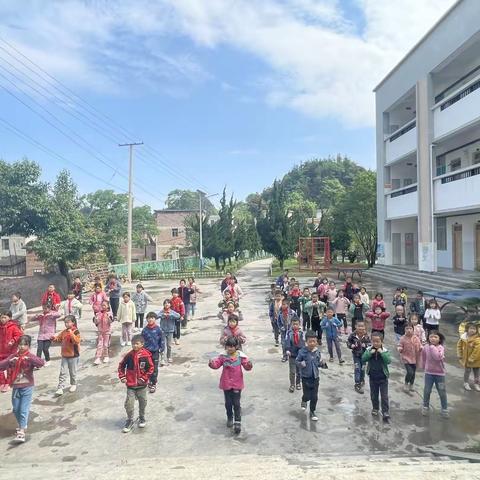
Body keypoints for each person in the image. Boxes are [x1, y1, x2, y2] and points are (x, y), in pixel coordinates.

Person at [0, 335, 45, 443]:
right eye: (20, 344)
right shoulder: (13, 356)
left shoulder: (29, 356)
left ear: (28, 346)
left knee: (23, 409)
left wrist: (29, 358)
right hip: (16, 386)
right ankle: (22, 425)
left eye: (25, 345)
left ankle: (21, 432)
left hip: (27, 386)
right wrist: (10, 360)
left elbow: (41, 363)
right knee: (16, 409)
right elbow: (1, 365)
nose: (22, 347)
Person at [208, 336, 253, 434]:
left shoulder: (241, 356)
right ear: (226, 347)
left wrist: (249, 365)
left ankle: (237, 421)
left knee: (236, 403)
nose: (230, 348)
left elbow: (246, 366)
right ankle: (229, 417)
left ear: (236, 347)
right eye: (228, 346)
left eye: (232, 346)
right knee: (228, 403)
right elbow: (216, 364)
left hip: (237, 383)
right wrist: (211, 364)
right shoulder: (223, 357)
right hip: (226, 383)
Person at [118, 334, 154, 433]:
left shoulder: (146, 355)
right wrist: (122, 377)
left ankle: (142, 417)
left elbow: (151, 368)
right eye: (133, 344)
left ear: (142, 344)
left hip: (142, 385)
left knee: (143, 402)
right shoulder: (129, 355)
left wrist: (144, 378)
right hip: (131, 385)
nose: (135, 346)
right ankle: (130, 420)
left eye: (137, 344)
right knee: (129, 403)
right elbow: (121, 366)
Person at [296, 330, 327, 422]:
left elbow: (318, 363)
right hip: (306, 377)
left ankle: (312, 411)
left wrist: (323, 364)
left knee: (314, 396)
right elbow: (297, 361)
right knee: (307, 395)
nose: (312, 343)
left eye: (314, 341)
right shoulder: (302, 352)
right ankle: (304, 400)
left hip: (315, 377)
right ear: (306, 342)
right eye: (310, 341)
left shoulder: (317, 352)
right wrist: (301, 364)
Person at [362, 332, 391, 422]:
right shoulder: (369, 349)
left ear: (382, 342)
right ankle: (375, 408)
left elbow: (388, 361)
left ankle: (385, 411)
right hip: (373, 377)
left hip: (383, 378)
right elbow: (363, 359)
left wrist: (382, 353)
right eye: (374, 341)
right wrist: (370, 353)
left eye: (378, 341)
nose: (376, 343)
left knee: (384, 396)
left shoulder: (385, 351)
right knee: (374, 395)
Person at [422, 331, 448, 418]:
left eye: (435, 337)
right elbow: (424, 357)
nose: (433, 338)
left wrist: (432, 347)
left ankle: (444, 409)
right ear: (428, 338)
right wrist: (424, 366)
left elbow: (437, 357)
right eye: (431, 337)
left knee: (442, 392)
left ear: (439, 339)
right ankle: (425, 406)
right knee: (427, 390)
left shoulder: (441, 348)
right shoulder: (426, 347)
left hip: (440, 374)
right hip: (429, 373)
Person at [53, 315, 81, 396]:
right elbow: (59, 339)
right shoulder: (64, 332)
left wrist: (71, 334)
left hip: (73, 355)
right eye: (65, 322)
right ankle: (60, 387)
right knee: (63, 372)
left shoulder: (76, 331)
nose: (66, 324)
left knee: (73, 371)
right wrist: (53, 339)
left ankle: (73, 384)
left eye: (68, 322)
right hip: (65, 355)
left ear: (73, 322)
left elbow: (77, 341)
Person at [141, 312, 164, 394]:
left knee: (154, 368)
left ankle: (153, 383)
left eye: (152, 318)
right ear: (146, 319)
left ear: (155, 319)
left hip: (155, 352)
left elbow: (162, 340)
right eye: (149, 318)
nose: (150, 319)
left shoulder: (158, 329)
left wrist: (162, 349)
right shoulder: (144, 330)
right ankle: (147, 381)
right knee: (146, 368)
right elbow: (141, 341)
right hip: (146, 353)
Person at [0, 311, 23, 393]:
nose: (2, 319)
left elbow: (19, 335)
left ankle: (9, 382)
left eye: (4, 317)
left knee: (9, 368)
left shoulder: (13, 327)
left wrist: (13, 340)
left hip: (10, 352)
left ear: (9, 318)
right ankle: (2, 383)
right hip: (1, 351)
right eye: (1, 317)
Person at [347, 322, 370, 394]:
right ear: (355, 326)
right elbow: (348, 342)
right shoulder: (352, 335)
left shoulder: (366, 336)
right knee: (357, 368)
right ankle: (357, 384)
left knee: (362, 369)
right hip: (356, 355)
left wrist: (365, 345)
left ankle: (362, 380)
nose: (360, 328)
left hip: (364, 356)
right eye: (359, 326)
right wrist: (351, 346)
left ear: (365, 327)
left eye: (362, 326)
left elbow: (370, 344)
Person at [398, 323, 422, 392]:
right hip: (406, 358)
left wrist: (420, 347)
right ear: (404, 330)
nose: (409, 330)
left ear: (413, 329)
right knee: (410, 372)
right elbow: (399, 345)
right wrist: (400, 348)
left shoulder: (416, 338)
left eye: (410, 328)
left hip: (415, 358)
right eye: (407, 328)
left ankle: (411, 384)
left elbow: (419, 345)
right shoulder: (403, 338)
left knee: (413, 373)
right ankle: (406, 383)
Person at [457, 323, 480, 391]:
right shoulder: (463, 338)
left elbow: (477, 350)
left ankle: (476, 384)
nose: (472, 330)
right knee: (467, 371)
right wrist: (460, 354)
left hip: (476, 359)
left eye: (474, 329)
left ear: (477, 330)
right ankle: (466, 383)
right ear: (467, 329)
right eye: (471, 328)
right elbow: (459, 346)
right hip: (466, 359)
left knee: (477, 372)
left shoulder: (477, 339)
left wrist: (472, 358)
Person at [158, 299, 180, 365]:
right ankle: (162, 358)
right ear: (163, 304)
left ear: (170, 304)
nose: (167, 304)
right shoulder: (162, 311)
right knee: (162, 345)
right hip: (163, 331)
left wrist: (170, 315)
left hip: (170, 331)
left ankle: (169, 357)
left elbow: (178, 316)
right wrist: (163, 315)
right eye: (165, 303)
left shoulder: (172, 312)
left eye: (168, 303)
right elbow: (157, 316)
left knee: (169, 345)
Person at [285, 318, 304, 393]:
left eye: (297, 324)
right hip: (292, 355)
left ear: (299, 324)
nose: (295, 326)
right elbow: (287, 341)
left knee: (299, 371)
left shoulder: (301, 333)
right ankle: (292, 384)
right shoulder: (289, 333)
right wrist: (287, 350)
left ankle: (298, 383)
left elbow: (303, 342)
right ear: (291, 324)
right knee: (292, 371)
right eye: (293, 324)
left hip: (300, 355)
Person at [93, 300, 113, 365]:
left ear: (108, 306)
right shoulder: (98, 314)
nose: (103, 306)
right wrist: (95, 319)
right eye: (102, 305)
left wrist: (108, 317)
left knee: (105, 345)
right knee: (99, 345)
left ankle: (106, 356)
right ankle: (97, 357)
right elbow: (96, 323)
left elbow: (110, 322)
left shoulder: (109, 313)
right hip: (100, 331)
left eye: (104, 305)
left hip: (107, 332)